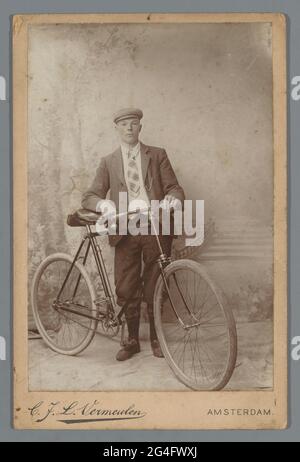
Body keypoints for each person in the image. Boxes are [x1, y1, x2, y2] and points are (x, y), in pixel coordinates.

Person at [82, 108, 185, 361]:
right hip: (125, 229)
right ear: (117, 129)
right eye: (124, 124)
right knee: (126, 287)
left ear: (140, 127)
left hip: (155, 226)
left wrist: (172, 199)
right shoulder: (109, 161)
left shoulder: (157, 155)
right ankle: (131, 341)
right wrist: (103, 205)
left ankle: (155, 338)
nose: (129, 128)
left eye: (134, 123)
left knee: (155, 284)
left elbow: (174, 187)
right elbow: (89, 196)